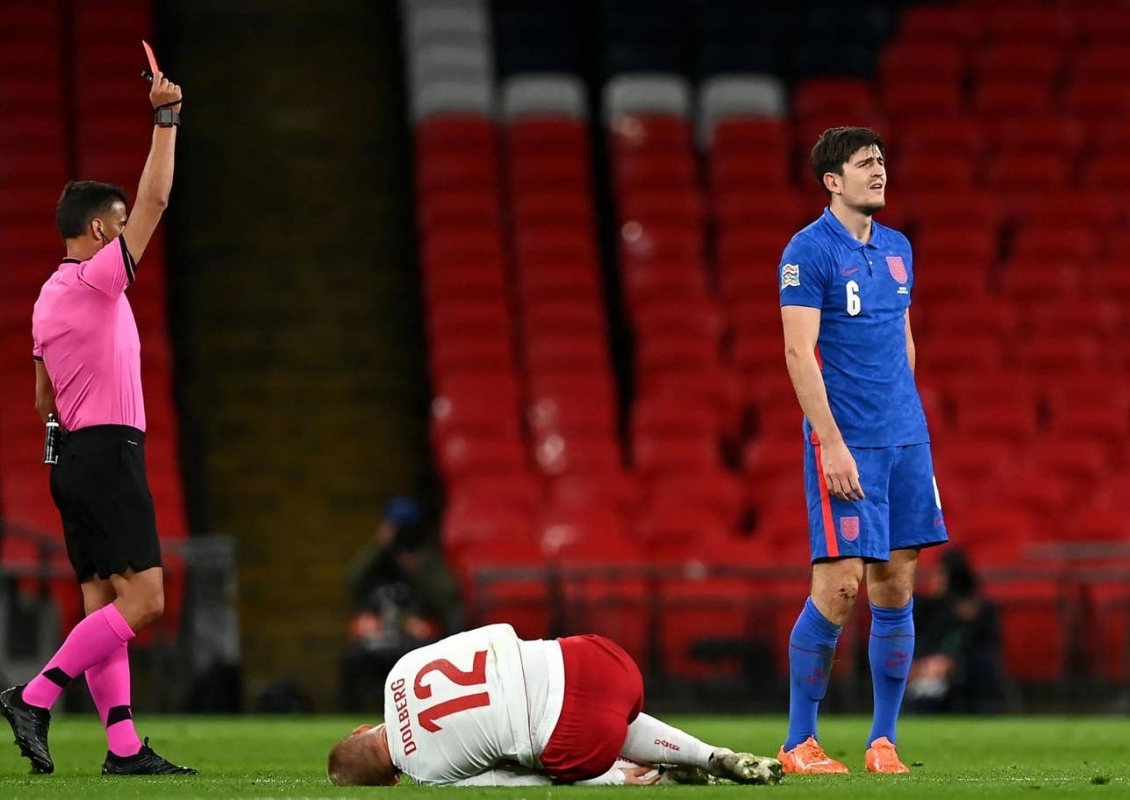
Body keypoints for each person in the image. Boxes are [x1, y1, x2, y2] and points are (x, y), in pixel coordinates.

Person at [0, 67, 195, 776]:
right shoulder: (97, 278)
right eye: (114, 223)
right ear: (97, 229)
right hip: (109, 452)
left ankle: (122, 749)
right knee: (144, 602)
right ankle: (36, 695)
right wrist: (164, 119)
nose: (123, 230)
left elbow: (42, 400)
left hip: (72, 457)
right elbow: (159, 196)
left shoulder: (47, 299)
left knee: (103, 608)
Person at [775, 126, 948, 774]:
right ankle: (798, 742)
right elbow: (798, 353)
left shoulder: (899, 248)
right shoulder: (807, 252)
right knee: (840, 587)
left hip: (906, 439)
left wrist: (907, 419)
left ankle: (883, 742)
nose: (878, 170)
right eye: (864, 163)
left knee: (896, 587)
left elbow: (904, 341)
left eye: (881, 160)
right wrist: (831, 442)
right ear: (832, 180)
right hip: (847, 443)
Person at [325, 623, 783, 787]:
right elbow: (495, 633)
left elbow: (509, 783)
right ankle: (707, 755)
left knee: (538, 746)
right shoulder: (399, 672)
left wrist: (607, 779)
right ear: (361, 728)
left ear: (388, 782)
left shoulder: (424, 772)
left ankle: (637, 775)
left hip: (582, 741)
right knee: (596, 707)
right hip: (596, 661)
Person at [339, 497, 460, 712]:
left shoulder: (429, 562)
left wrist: (416, 566)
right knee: (353, 661)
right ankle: (351, 718)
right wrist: (380, 545)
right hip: (380, 637)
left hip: (417, 641)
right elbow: (352, 582)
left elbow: (446, 599)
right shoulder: (378, 562)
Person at [906, 549, 1004, 714]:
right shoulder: (931, 608)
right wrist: (921, 662)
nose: (936, 580)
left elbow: (985, 644)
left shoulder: (980, 610)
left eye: (941, 574)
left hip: (966, 671)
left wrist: (951, 660)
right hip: (930, 667)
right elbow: (924, 638)